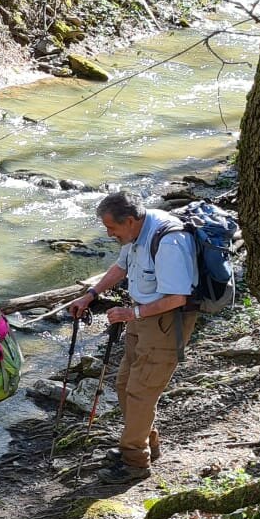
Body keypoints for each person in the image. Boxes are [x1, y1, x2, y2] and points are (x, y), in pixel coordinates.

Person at [66, 191, 197, 485]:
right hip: (142, 317)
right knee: (125, 385)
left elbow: (178, 296)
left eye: (111, 228)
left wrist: (133, 314)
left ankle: (135, 462)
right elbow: (121, 268)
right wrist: (91, 294)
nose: (108, 233)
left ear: (129, 220)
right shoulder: (135, 235)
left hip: (165, 322)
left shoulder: (169, 242)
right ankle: (146, 441)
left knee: (141, 392)